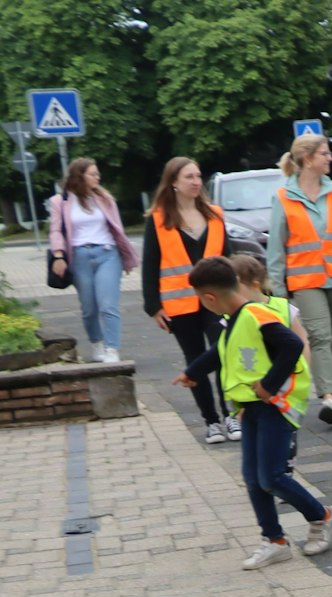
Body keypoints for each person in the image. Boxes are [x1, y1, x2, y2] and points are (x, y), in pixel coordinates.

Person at [180, 256, 332, 569]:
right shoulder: (235, 319)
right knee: (253, 478)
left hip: (275, 406)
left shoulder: (255, 314)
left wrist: (269, 384)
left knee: (272, 476)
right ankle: (274, 540)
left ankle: (321, 517)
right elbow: (220, 352)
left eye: (200, 299)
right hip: (249, 407)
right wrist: (194, 372)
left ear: (209, 297)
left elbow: (292, 345)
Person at [268, 133, 332, 426]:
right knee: (319, 336)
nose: (331, 158)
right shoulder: (284, 197)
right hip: (306, 279)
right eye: (325, 154)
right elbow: (276, 247)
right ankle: (326, 396)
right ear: (307, 159)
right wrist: (277, 293)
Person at [143, 157, 234, 443]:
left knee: (223, 354)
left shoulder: (215, 215)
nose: (196, 182)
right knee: (195, 361)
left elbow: (229, 259)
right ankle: (211, 421)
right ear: (173, 182)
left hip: (217, 299)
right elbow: (150, 264)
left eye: (198, 176)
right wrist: (153, 306)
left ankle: (231, 415)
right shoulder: (158, 220)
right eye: (188, 177)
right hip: (179, 304)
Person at [47, 158, 139, 364]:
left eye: (97, 174)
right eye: (93, 174)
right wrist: (59, 255)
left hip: (107, 254)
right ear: (80, 176)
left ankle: (112, 348)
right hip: (79, 256)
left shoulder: (105, 199)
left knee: (108, 305)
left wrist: (126, 256)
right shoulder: (60, 202)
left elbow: (118, 229)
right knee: (89, 308)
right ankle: (97, 344)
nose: (98, 177)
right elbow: (55, 231)